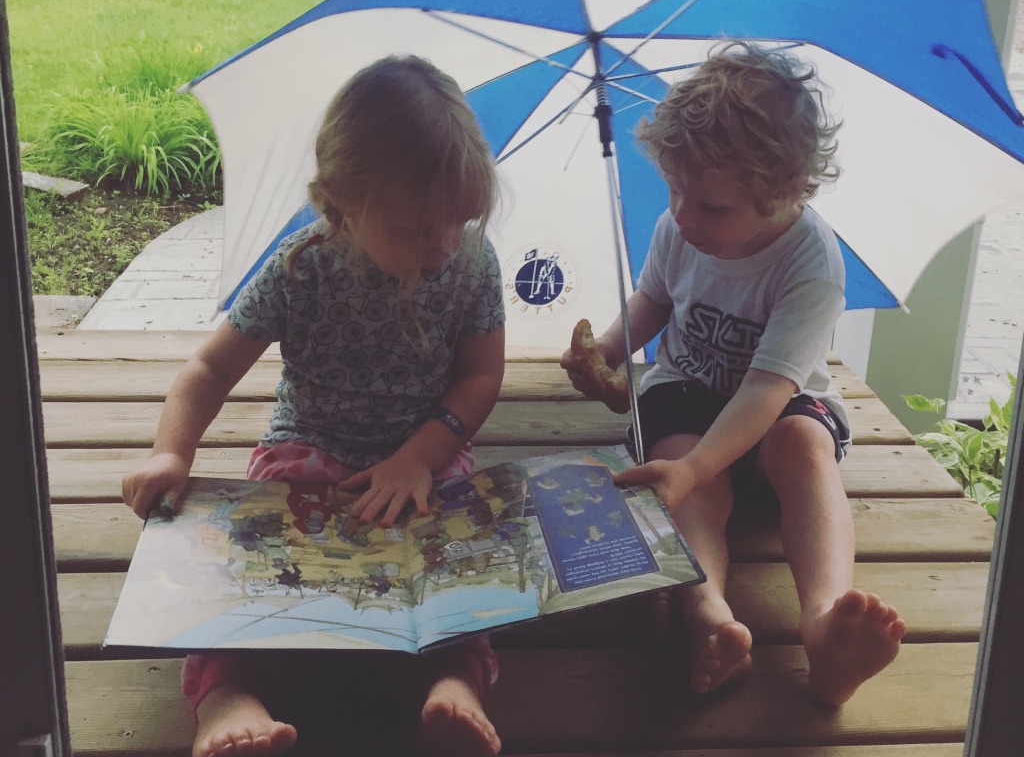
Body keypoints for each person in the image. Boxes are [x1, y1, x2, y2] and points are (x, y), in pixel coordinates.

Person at [123, 55, 506, 757]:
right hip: (311, 448)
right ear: (342, 200)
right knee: (246, 579)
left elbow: (481, 377)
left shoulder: (473, 262)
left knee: (462, 569)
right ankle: (226, 697)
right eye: (417, 227)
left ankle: (452, 684)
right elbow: (208, 369)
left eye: (461, 219)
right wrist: (170, 453)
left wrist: (417, 458)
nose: (444, 245)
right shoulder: (300, 268)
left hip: (428, 452)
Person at [561, 41, 905, 706]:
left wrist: (697, 468)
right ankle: (709, 611)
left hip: (775, 407)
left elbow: (769, 387)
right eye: (675, 191)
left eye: (710, 206)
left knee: (803, 445)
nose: (683, 216)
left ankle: (825, 622)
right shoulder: (679, 226)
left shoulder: (810, 261)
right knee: (677, 461)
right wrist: (606, 350)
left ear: (788, 190)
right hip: (688, 393)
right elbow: (654, 299)